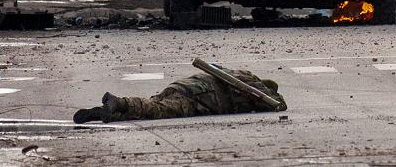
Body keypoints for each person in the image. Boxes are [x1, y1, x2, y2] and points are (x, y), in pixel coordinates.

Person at [73, 66, 285, 123]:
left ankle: (108, 112)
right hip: (201, 97)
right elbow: (278, 105)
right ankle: (119, 103)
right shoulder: (256, 89)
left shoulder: (239, 74)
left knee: (152, 107)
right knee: (158, 110)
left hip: (184, 87)